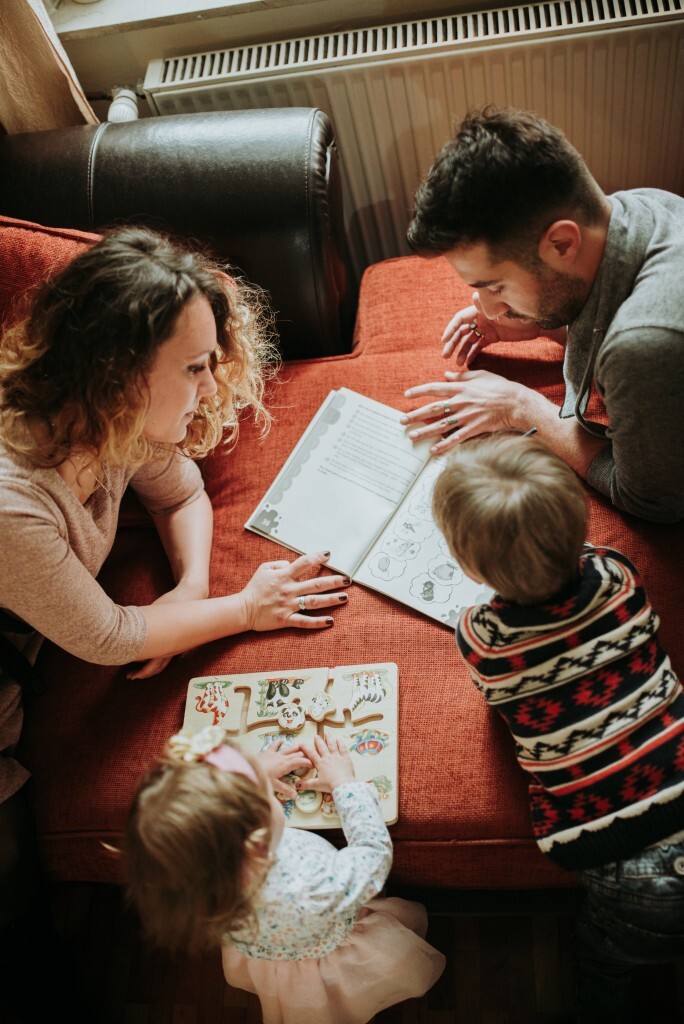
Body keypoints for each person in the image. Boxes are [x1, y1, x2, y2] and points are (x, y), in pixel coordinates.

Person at [0, 226, 351, 1020]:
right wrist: (248, 609)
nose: (207, 386)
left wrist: (191, 590)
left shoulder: (110, 418)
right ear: (120, 373)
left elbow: (182, 493)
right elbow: (107, 638)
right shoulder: (12, 502)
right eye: (193, 369)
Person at [431, 430, 684, 1024]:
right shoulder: (619, 577)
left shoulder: (483, 639)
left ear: (468, 564)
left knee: (608, 952)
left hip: (608, 851)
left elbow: (499, 705)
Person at [401, 105, 684, 524]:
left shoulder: (644, 344)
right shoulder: (638, 207)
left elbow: (651, 500)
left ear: (562, 243)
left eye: (494, 286)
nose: (489, 307)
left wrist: (519, 405)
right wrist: (542, 327)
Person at [122, 726, 446, 1024]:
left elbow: (201, 819)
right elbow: (373, 855)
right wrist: (344, 783)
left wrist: (252, 776)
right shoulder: (311, 891)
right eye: (260, 793)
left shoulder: (195, 891)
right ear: (258, 842)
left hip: (275, 960)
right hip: (330, 944)